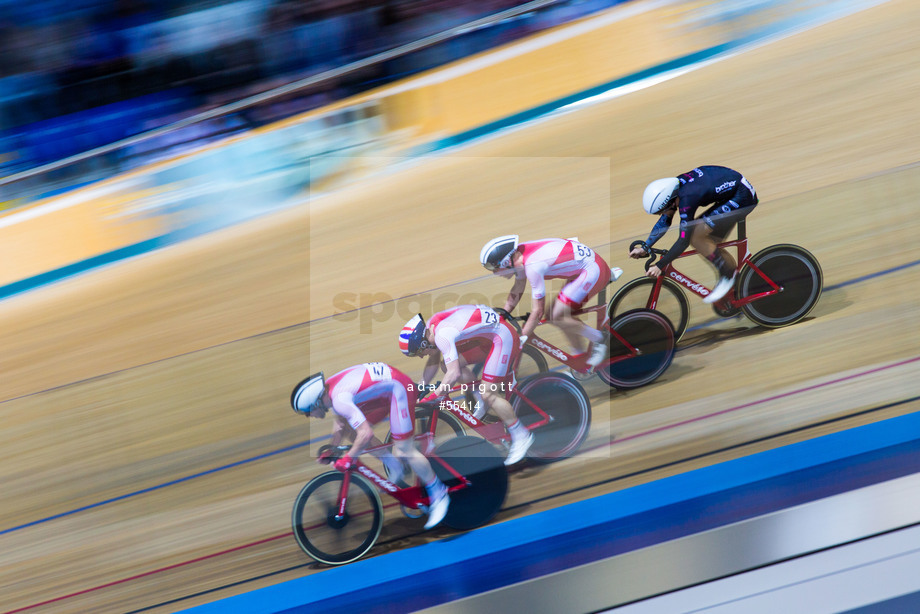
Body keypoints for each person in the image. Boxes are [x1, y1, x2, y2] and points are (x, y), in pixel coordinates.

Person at [290, 363, 449, 530]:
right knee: (351, 430)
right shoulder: (330, 391)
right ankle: (395, 466)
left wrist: (350, 458)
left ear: (314, 404)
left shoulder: (338, 399)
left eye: (307, 412)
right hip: (384, 390)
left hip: (398, 389)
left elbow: (366, 434)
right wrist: (332, 448)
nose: (309, 416)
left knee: (404, 448)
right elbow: (341, 424)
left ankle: (439, 494)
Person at [399, 305, 534, 465]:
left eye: (417, 353)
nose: (420, 357)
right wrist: (421, 386)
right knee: (445, 365)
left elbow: (454, 374)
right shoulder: (430, 329)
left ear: (422, 344)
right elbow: (434, 361)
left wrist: (436, 394)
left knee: (489, 393)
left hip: (502, 337)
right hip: (486, 338)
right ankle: (480, 397)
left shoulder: (442, 335)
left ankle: (521, 436)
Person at [480, 235, 614, 370]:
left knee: (557, 316)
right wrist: (503, 315)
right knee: (554, 315)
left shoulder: (533, 266)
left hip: (593, 270)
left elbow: (538, 311)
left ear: (505, 262)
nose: (495, 273)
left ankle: (601, 339)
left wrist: (521, 339)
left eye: (495, 269)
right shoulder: (517, 257)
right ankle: (580, 361)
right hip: (580, 269)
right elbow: (518, 287)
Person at [630, 166, 759, 304]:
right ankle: (736, 286)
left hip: (742, 196)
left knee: (696, 236)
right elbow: (665, 221)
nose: (661, 214)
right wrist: (645, 247)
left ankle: (728, 276)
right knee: (708, 243)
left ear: (671, 201)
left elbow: (683, 240)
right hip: (731, 190)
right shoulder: (675, 188)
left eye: (661, 210)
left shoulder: (687, 198)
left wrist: (660, 265)